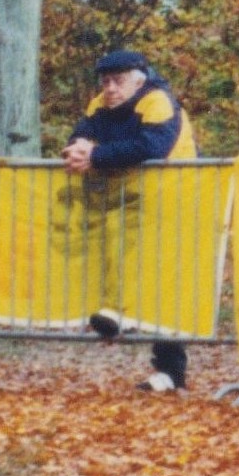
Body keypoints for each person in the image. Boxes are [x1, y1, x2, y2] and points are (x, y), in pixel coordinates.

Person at [70, 48, 197, 392]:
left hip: (173, 203)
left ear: (138, 81)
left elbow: (151, 147)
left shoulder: (157, 101)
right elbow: (81, 134)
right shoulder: (99, 104)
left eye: (118, 81)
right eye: (106, 81)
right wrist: (77, 148)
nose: (110, 88)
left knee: (165, 283)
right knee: (117, 257)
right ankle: (122, 318)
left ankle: (171, 370)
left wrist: (96, 155)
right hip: (128, 200)